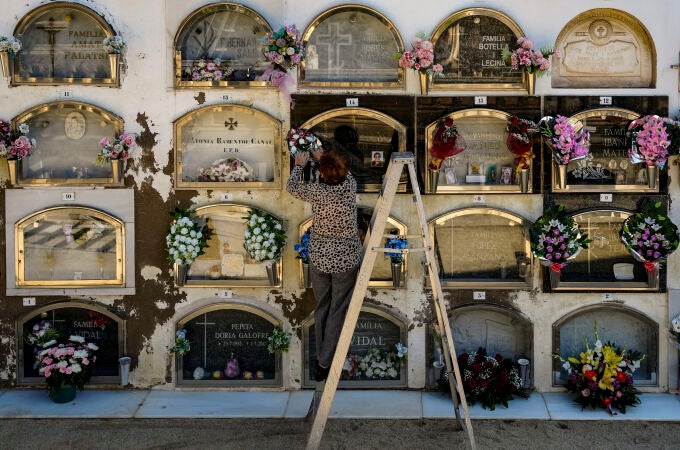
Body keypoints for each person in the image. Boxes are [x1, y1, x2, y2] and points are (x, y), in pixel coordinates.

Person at [286, 145, 362, 382]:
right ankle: (325, 361)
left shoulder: (316, 191)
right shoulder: (350, 186)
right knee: (337, 310)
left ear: (321, 174)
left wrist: (299, 165)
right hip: (345, 260)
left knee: (323, 308)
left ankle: (322, 359)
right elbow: (344, 173)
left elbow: (291, 187)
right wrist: (325, 160)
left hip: (320, 258)